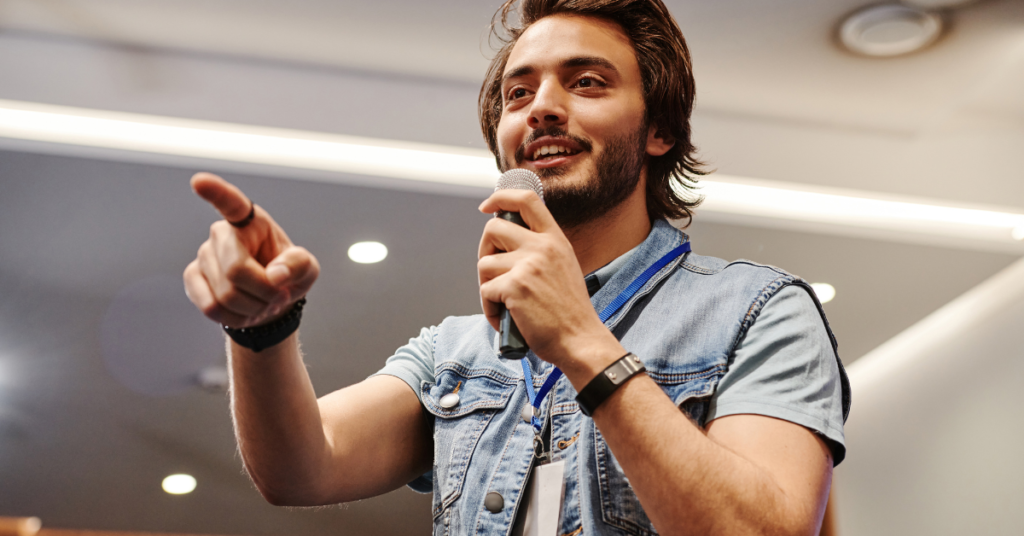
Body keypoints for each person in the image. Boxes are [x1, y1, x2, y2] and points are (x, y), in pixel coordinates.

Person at [182, 0, 850, 534]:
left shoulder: (760, 311)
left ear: (660, 130)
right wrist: (262, 332)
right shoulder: (456, 353)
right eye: (518, 93)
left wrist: (583, 343)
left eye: (587, 82)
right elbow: (302, 468)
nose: (543, 107)